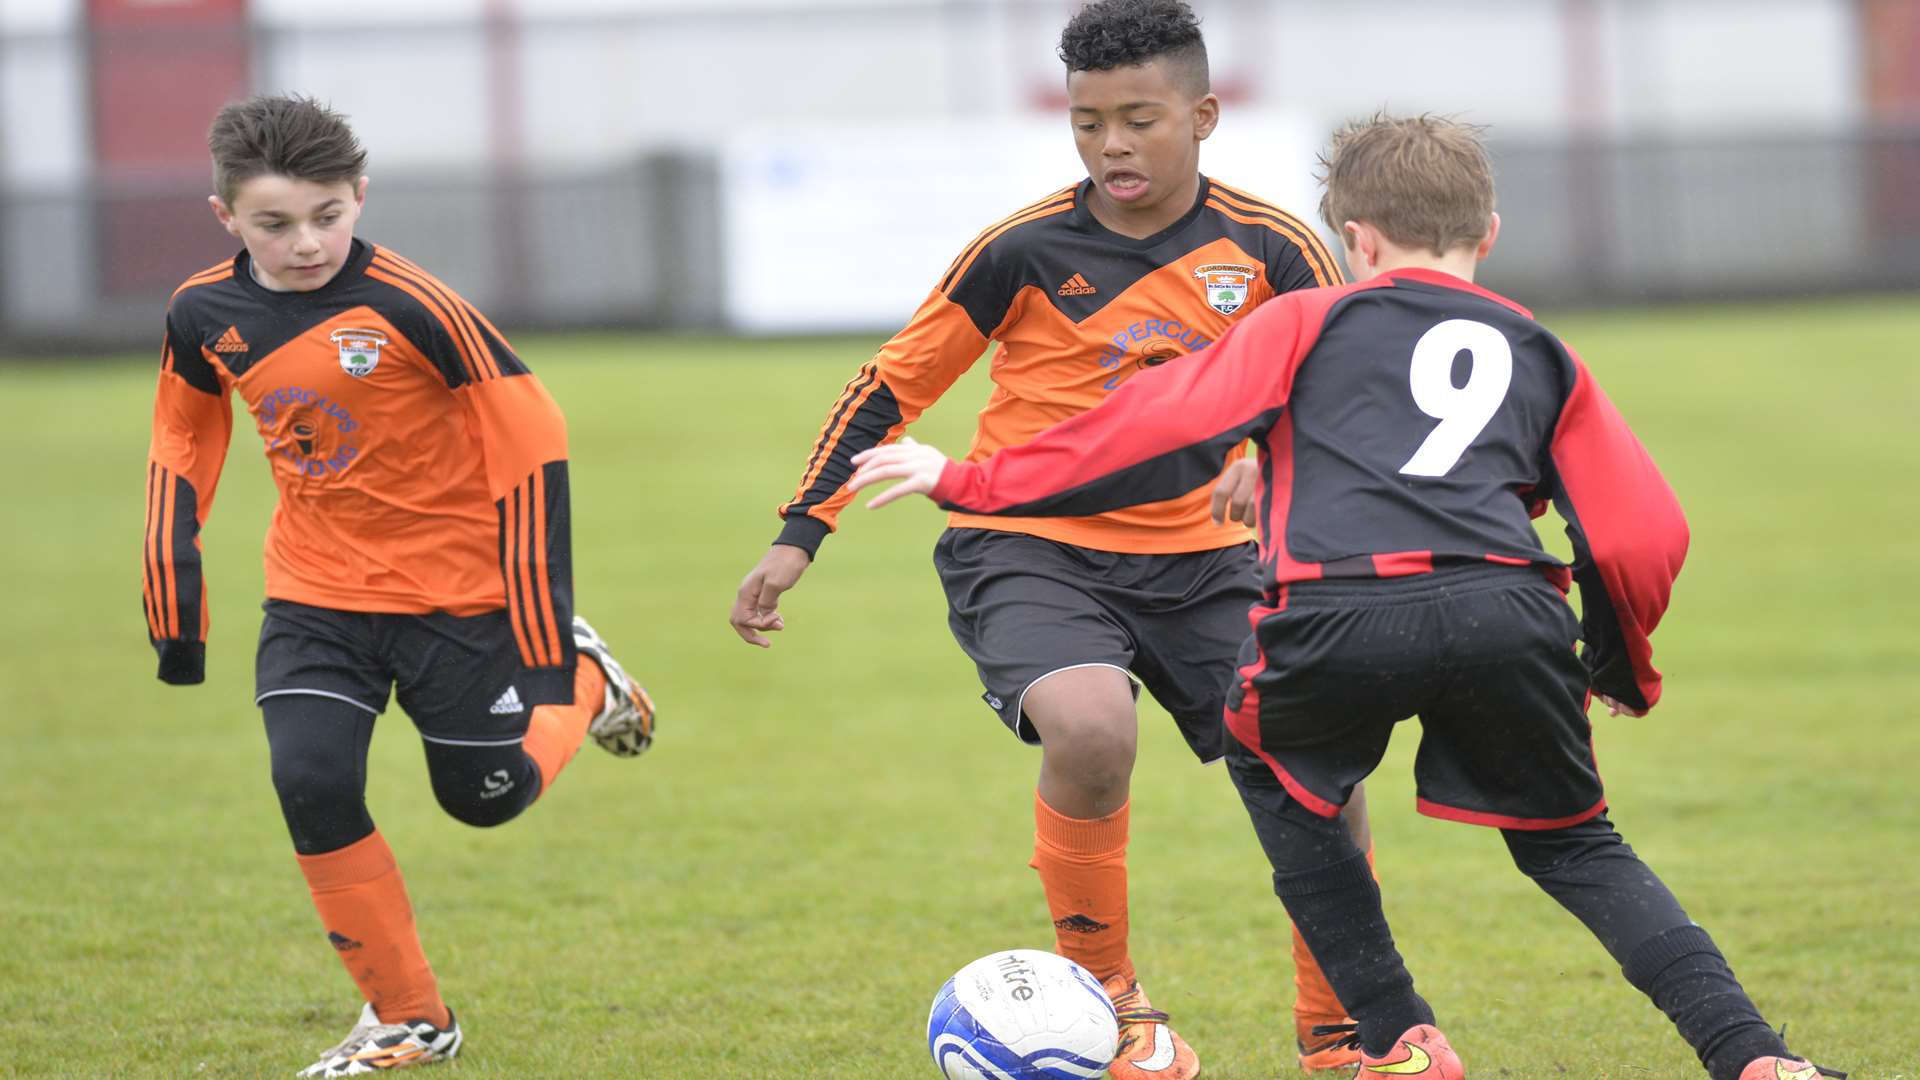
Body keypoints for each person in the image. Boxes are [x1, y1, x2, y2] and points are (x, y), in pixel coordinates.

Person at [844, 113, 1839, 1080]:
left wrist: (968, 481)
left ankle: (1397, 1038)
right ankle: (1755, 1056)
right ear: (1488, 232)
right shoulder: (1537, 347)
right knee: (1579, 845)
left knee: (1281, 772)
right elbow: (1642, 530)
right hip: (1509, 612)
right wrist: (1619, 663)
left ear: (1355, 240)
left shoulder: (1306, 318)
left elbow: (1149, 422)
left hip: (1339, 610)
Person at [728, 1, 1374, 1074]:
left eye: (1138, 119)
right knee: (1089, 729)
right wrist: (802, 532)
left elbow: (1348, 388)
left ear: (1204, 115)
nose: (1111, 144)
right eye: (1087, 123)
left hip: (1212, 558)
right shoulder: (1022, 249)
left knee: (1322, 777)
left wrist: (1276, 450)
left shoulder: (1271, 247)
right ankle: (1111, 999)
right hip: (1029, 544)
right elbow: (893, 385)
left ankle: (1341, 1030)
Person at [143, 94, 656, 1077]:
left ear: (360, 197)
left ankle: (590, 680)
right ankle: (412, 1019)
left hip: (456, 599)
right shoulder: (203, 311)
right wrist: (173, 580)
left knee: (485, 799)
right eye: (275, 224)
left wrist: (544, 636)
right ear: (225, 219)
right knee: (311, 780)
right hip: (315, 594)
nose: (306, 244)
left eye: (329, 216)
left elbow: (533, 438)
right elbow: (183, 434)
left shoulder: (413, 305)